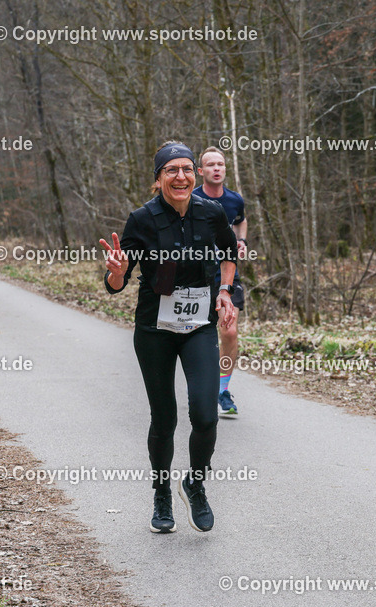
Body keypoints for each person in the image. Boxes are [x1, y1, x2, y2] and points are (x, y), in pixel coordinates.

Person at [101, 141, 238, 534]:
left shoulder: (211, 213)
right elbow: (117, 283)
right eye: (171, 171)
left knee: (206, 415)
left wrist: (225, 292)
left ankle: (195, 483)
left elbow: (229, 252)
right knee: (165, 419)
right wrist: (116, 269)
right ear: (158, 179)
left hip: (198, 327)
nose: (181, 176)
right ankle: (162, 493)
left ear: (195, 175)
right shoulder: (141, 219)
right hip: (154, 331)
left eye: (186, 169)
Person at [192, 146, 249, 418]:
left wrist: (242, 241)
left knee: (229, 332)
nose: (217, 168)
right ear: (200, 171)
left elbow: (241, 220)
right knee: (199, 337)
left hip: (229, 276)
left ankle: (222, 390)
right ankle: (203, 385)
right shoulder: (189, 199)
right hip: (196, 278)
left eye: (221, 164)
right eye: (211, 165)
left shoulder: (234, 200)